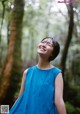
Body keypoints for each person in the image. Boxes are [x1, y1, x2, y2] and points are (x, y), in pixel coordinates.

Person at [8, 37, 67, 114]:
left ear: (52, 53)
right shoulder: (27, 72)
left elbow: (58, 101)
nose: (44, 45)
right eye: (43, 42)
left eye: (48, 44)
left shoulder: (56, 73)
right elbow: (21, 97)